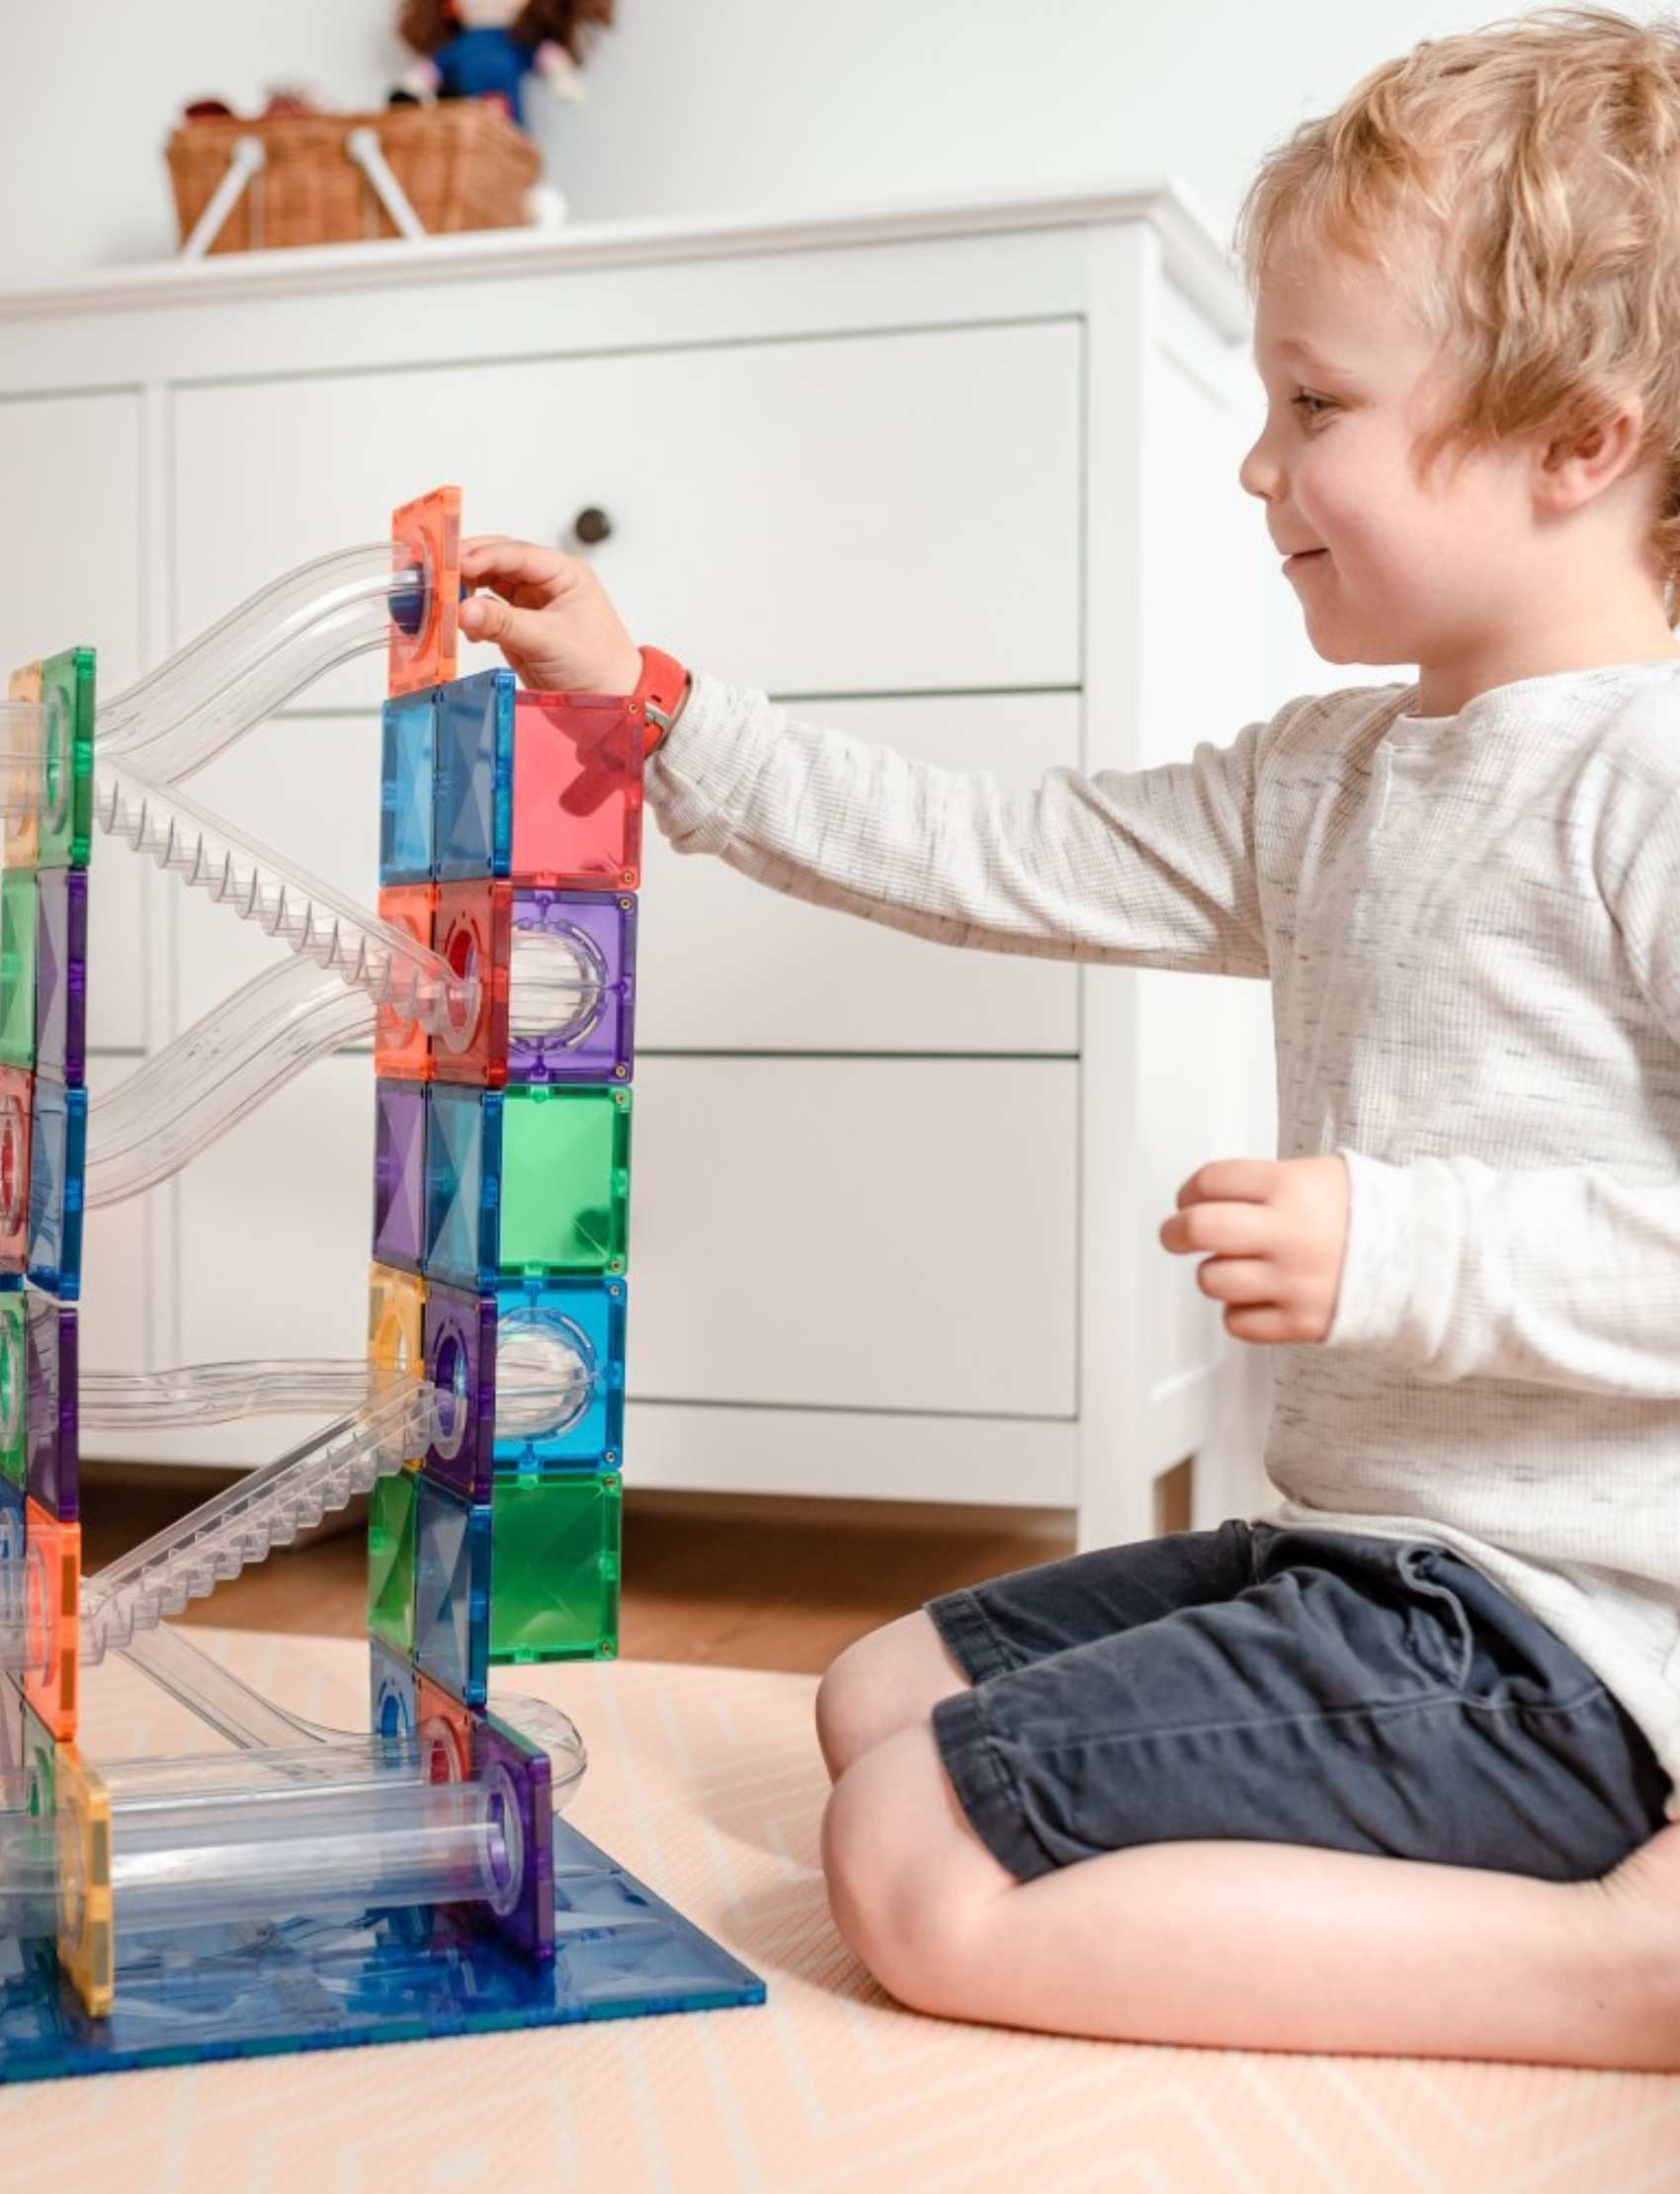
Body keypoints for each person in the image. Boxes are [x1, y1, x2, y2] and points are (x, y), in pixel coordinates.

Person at [459, 7, 1680, 2068]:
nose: (1255, 462)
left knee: (920, 1861)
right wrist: (656, 712)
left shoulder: (1644, 783)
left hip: (1573, 1640)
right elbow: (995, 849)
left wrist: (1407, 1250)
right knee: (875, 1707)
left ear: (1578, 441)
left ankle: (1620, 1975)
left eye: (1314, 405)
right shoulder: (1330, 775)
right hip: (1366, 1559)